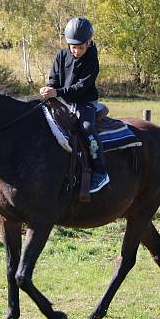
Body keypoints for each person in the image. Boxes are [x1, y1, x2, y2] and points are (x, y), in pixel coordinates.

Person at [40, 17, 109, 193]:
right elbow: (54, 78)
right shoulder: (61, 55)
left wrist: (58, 92)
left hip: (84, 102)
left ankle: (100, 171)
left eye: (81, 47)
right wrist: (49, 88)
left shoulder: (92, 59)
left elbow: (81, 86)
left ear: (88, 42)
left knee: (87, 128)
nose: (77, 51)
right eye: (73, 47)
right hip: (63, 100)